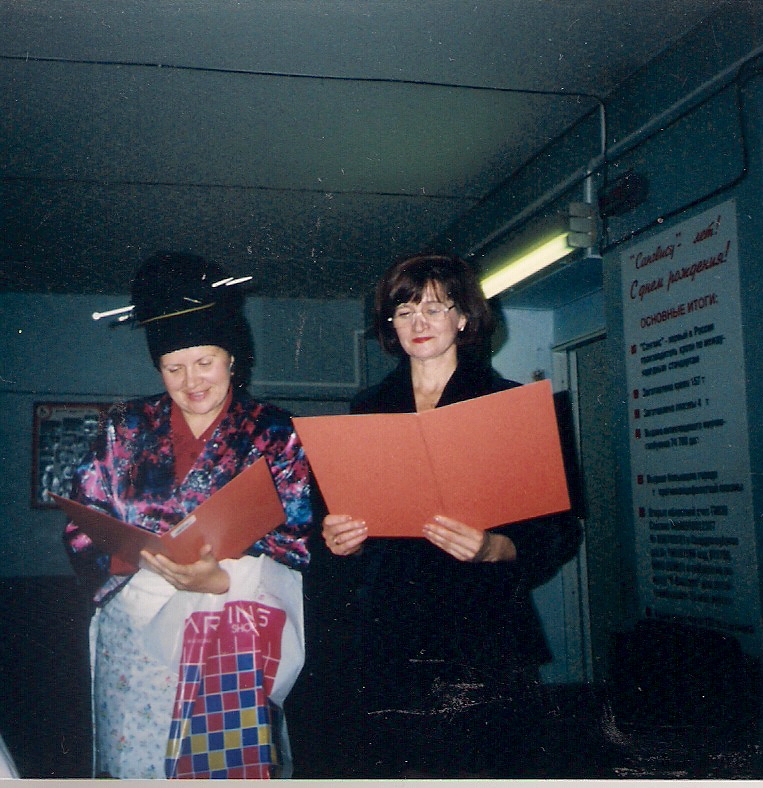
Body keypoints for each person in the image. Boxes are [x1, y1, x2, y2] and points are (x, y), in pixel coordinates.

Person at [321, 253, 581, 778]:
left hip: (484, 633)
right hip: (392, 631)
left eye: (434, 308)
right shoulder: (367, 408)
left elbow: (560, 530)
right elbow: (340, 519)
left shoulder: (509, 405)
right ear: (391, 325)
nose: (418, 323)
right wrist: (339, 537)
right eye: (404, 311)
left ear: (463, 318)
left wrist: (496, 548)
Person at [63, 251, 313, 779]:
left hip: (232, 626)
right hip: (134, 630)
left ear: (232, 359)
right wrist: (139, 559)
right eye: (173, 368)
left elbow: (297, 538)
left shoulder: (274, 431)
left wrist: (221, 577)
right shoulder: (125, 426)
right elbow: (82, 524)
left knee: (221, 768)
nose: (191, 381)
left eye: (205, 362)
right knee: (138, 768)